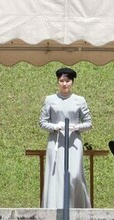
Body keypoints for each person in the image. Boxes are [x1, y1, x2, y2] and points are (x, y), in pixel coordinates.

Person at [38, 67, 92, 208]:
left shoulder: (79, 100)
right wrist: (55, 126)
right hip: (56, 142)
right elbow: (42, 122)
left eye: (67, 81)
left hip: (73, 142)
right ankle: (55, 206)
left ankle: (76, 206)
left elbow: (88, 123)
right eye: (62, 81)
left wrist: (76, 127)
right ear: (58, 82)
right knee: (56, 174)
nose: (64, 84)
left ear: (72, 82)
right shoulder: (50, 99)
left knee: (74, 174)